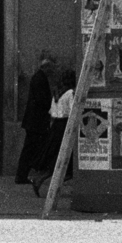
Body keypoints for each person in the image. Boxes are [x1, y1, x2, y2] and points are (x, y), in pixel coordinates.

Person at [33, 67, 78, 195]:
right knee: (66, 159)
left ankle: (40, 179)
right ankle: (44, 182)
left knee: (55, 157)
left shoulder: (57, 92)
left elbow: (52, 112)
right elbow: (72, 111)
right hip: (65, 126)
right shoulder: (70, 93)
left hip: (56, 126)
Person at [13, 52, 56, 185]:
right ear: (46, 67)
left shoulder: (39, 77)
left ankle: (25, 175)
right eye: (51, 68)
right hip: (36, 122)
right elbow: (42, 100)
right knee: (31, 149)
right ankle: (23, 175)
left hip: (34, 122)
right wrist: (53, 102)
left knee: (31, 149)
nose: (53, 70)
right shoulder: (39, 78)